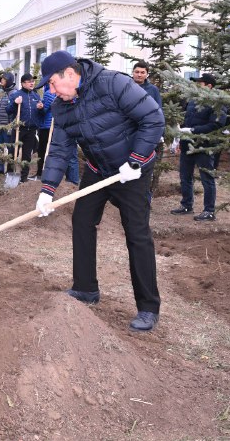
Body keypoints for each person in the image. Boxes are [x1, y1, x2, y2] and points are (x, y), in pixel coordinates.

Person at [34, 51, 164, 332]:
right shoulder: (62, 107)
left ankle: (148, 307)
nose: (52, 91)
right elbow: (58, 150)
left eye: (53, 84)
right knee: (82, 220)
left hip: (132, 170)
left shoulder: (113, 83)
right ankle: (85, 289)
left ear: (70, 74)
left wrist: (136, 160)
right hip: (98, 168)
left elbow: (153, 119)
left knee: (136, 233)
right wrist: (47, 190)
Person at [170, 73, 227, 221]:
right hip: (187, 143)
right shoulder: (192, 100)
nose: (196, 85)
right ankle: (187, 204)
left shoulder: (217, 102)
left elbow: (216, 124)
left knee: (206, 178)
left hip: (204, 145)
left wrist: (194, 130)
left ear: (209, 86)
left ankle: (209, 210)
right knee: (185, 176)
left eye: (199, 83)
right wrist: (179, 137)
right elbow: (185, 120)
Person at [131, 61, 164, 200]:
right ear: (133, 72)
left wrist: (159, 133)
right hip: (128, 132)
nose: (139, 74)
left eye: (142, 72)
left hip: (146, 133)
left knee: (144, 169)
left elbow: (158, 111)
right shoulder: (126, 86)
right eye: (137, 72)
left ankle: (144, 201)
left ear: (147, 74)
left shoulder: (152, 90)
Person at [6, 73, 44, 183]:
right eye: (29, 81)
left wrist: (41, 109)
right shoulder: (16, 95)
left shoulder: (36, 96)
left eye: (33, 81)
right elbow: (8, 110)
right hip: (18, 129)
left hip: (31, 130)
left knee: (27, 156)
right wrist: (14, 103)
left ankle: (23, 178)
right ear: (23, 83)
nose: (32, 83)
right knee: (13, 153)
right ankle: (10, 175)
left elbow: (42, 114)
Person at [0, 72, 18, 174]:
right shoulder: (0, 92)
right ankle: (0, 169)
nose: (1, 81)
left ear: (9, 81)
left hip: (7, 126)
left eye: (4, 80)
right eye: (1, 79)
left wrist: (12, 124)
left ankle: (10, 170)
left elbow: (14, 111)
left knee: (10, 149)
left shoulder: (14, 93)